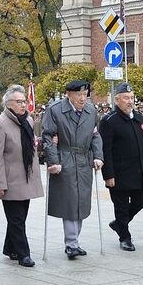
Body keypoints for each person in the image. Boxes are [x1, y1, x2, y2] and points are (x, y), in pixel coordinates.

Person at [42, 80, 104, 259]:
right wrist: (53, 161)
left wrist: (98, 156)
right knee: (69, 201)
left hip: (84, 160)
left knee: (82, 202)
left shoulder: (91, 111)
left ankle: (74, 240)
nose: (83, 98)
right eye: (79, 95)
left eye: (85, 94)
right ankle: (71, 243)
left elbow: (95, 135)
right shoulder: (55, 110)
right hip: (65, 159)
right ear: (68, 94)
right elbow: (48, 137)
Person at [0, 84, 44, 267]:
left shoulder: (27, 121)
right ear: (8, 103)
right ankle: (23, 254)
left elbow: (31, 146)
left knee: (19, 217)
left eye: (24, 101)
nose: (23, 105)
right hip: (11, 181)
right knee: (17, 219)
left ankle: (10, 247)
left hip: (26, 177)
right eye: (19, 102)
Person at [99, 83, 143, 251]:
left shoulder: (141, 119)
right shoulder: (109, 121)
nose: (130, 101)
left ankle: (118, 224)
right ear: (117, 100)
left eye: (132, 98)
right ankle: (125, 237)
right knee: (121, 207)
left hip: (138, 171)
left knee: (141, 201)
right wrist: (108, 175)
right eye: (126, 98)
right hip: (119, 173)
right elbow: (105, 150)